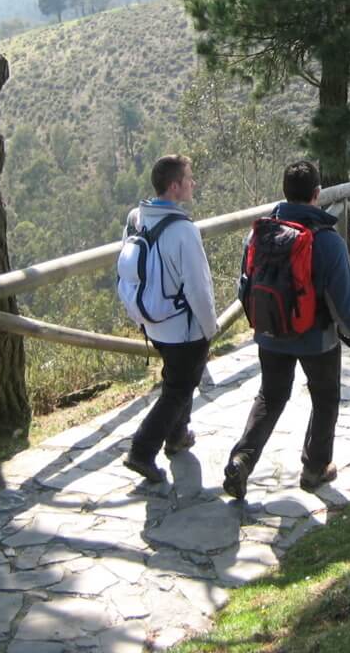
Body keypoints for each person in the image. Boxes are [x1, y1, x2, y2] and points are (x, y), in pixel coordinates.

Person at [223, 159, 350, 498]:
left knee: (270, 396)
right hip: (316, 339)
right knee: (325, 397)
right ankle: (315, 468)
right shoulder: (328, 241)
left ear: (285, 193)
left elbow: (244, 286)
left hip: (270, 333)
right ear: (317, 195)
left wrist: (260, 325)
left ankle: (242, 461)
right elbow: (342, 299)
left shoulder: (259, 233)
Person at [122, 154, 218, 483]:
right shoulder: (183, 231)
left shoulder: (136, 217)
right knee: (178, 389)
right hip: (182, 326)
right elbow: (198, 287)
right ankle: (141, 451)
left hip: (152, 320)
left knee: (180, 379)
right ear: (175, 186)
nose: (193, 184)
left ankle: (177, 436)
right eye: (189, 178)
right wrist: (210, 328)